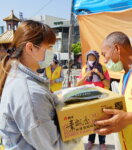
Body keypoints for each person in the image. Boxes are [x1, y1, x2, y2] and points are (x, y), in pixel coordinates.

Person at [0, 20, 84, 150]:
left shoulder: (16, 76)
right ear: (30, 48)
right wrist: (85, 126)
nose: (52, 52)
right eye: (49, 47)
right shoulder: (30, 93)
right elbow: (54, 147)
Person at [94, 31, 132, 150]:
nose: (104, 61)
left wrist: (127, 119)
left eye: (105, 55)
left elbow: (128, 116)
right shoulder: (124, 77)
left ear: (117, 48)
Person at [77, 50, 110, 150]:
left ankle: (102, 142)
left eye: (93, 58)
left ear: (97, 58)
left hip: (101, 98)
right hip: (89, 98)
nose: (91, 60)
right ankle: (90, 141)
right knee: (91, 120)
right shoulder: (84, 69)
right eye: (89, 58)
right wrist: (85, 76)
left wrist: (100, 74)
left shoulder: (103, 68)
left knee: (102, 120)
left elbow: (108, 84)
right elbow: (78, 84)